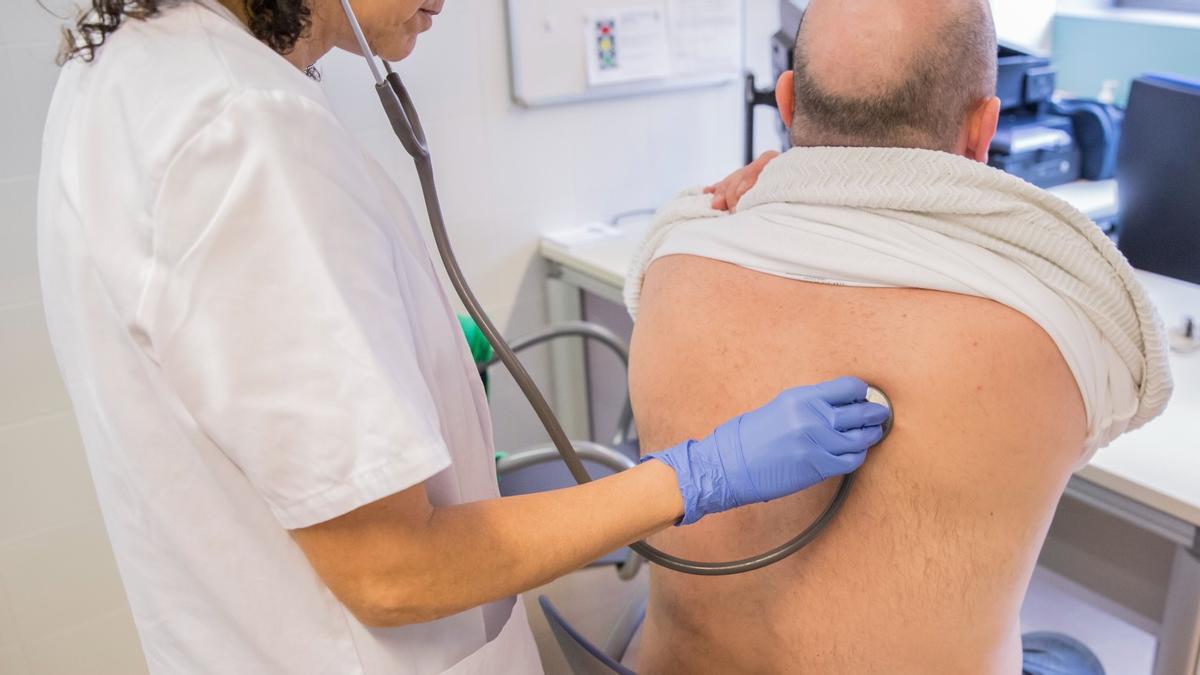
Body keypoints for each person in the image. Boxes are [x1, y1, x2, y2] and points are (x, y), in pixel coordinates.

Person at [37, 0, 891, 671]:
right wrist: (699, 475)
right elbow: (391, 568)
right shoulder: (244, 131)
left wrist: (402, 351)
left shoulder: (127, 68)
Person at [624, 0, 1171, 673]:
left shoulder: (670, 261)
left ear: (787, 105)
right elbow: (1131, 402)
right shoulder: (1061, 320)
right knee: (1069, 655)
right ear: (984, 130)